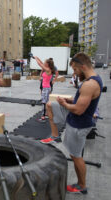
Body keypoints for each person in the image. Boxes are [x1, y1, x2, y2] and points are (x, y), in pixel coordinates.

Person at [40, 52, 103, 194]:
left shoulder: (90, 84)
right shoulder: (93, 79)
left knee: (76, 156)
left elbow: (79, 110)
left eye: (75, 69)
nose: (74, 73)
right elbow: (81, 104)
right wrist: (69, 102)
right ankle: (55, 135)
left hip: (79, 123)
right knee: (50, 104)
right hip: (76, 118)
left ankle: (81, 186)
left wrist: (65, 103)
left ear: (82, 66)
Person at [34, 56, 55, 122]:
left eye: (45, 62)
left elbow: (39, 64)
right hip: (46, 88)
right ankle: (46, 114)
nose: (44, 63)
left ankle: (43, 117)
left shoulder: (48, 70)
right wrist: (36, 57)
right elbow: (41, 63)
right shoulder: (47, 69)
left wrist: (36, 58)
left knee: (44, 102)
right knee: (45, 102)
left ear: (48, 64)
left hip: (46, 88)